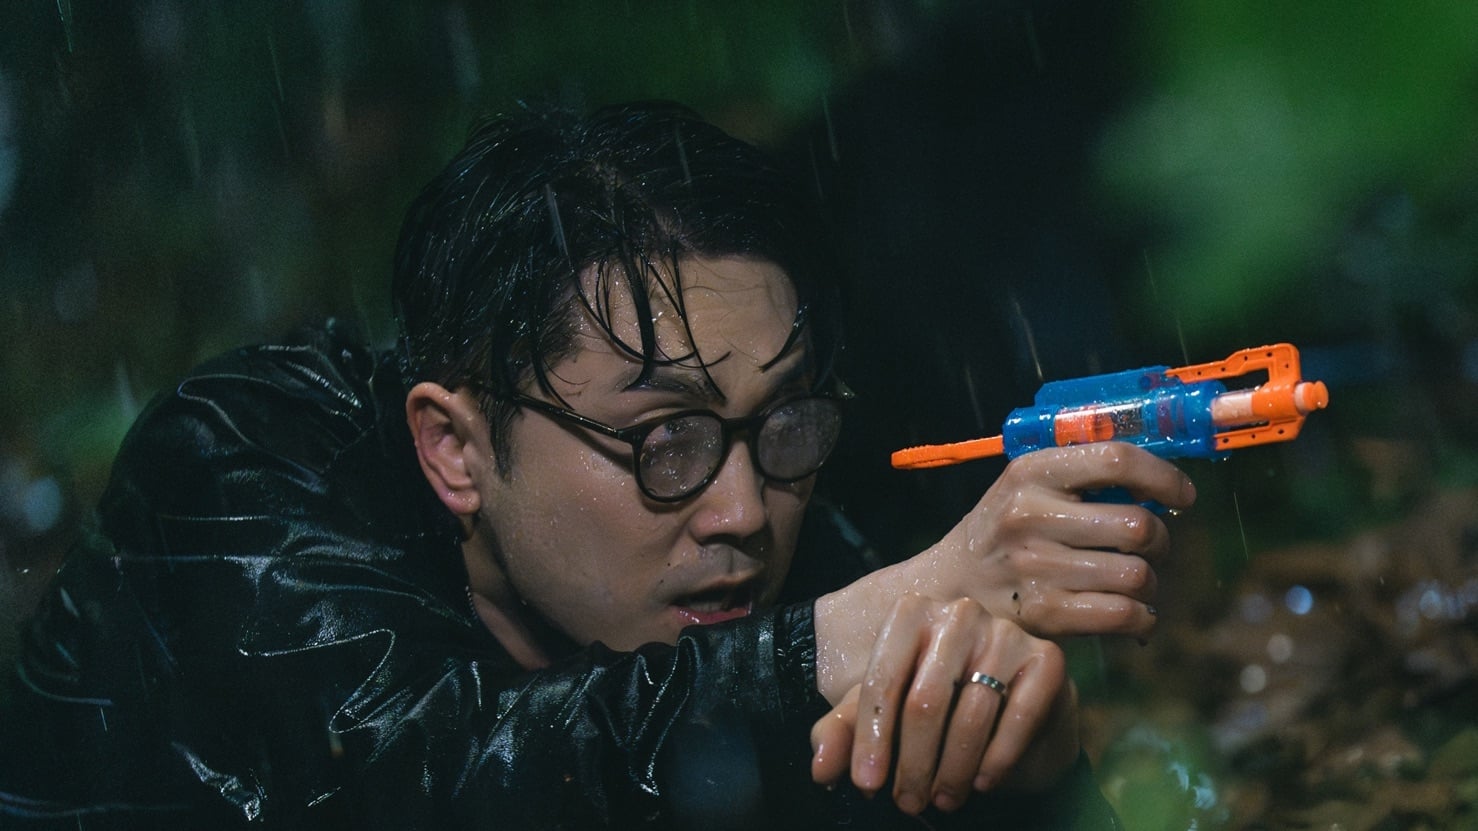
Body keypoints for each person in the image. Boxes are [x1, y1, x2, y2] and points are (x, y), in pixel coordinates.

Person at [0, 101, 1193, 829]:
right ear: (454, 448)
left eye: (783, 421)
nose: (742, 511)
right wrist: (829, 643)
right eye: (662, 439)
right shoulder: (241, 468)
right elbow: (423, 780)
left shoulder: (776, 525)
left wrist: (1022, 769)